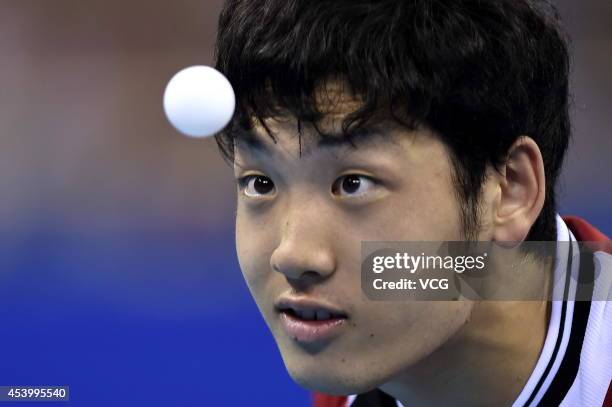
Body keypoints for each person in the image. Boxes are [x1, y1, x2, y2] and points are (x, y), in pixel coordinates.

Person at [212, 0, 611, 405]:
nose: (294, 255)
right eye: (260, 183)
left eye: (353, 184)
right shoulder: (357, 384)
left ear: (510, 190)